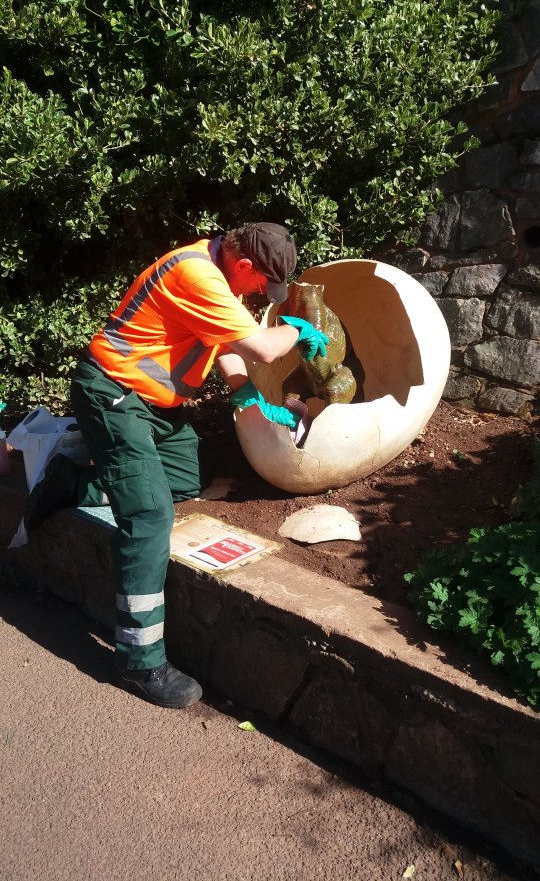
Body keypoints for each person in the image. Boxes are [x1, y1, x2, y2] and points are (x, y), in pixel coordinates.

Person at [24, 223, 329, 709]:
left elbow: (226, 343)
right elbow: (262, 347)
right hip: (113, 395)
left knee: (183, 481)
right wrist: (300, 328)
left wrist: (245, 392)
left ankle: (76, 485)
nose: (259, 294)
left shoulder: (219, 273)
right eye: (261, 284)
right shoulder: (196, 274)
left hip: (154, 405)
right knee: (149, 516)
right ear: (245, 265)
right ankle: (139, 660)